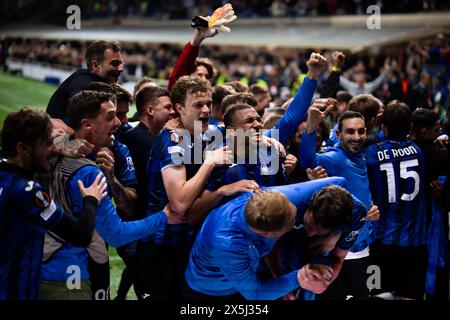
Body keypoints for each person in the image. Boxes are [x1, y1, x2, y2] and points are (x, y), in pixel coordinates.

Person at [38, 90, 179, 300]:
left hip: (41, 262)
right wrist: (164, 217)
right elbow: (116, 234)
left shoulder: (47, 154)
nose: (119, 123)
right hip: (71, 273)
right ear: (87, 124)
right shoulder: (88, 172)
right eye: (111, 116)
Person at [184, 177, 366, 300]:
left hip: (250, 271)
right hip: (211, 287)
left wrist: (336, 233)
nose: (307, 232)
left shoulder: (283, 198)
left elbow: (340, 183)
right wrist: (301, 277)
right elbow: (255, 293)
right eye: (291, 226)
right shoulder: (227, 244)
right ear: (266, 235)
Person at [133, 76, 232, 300]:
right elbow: (179, 203)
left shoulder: (202, 132)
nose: (206, 110)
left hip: (186, 247)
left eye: (208, 103)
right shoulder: (173, 141)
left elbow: (237, 131)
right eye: (198, 105)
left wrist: (267, 140)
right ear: (179, 108)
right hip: (160, 249)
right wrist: (210, 162)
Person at [0, 108, 107, 300]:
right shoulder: (28, 192)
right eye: (48, 143)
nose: (53, 148)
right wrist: (90, 200)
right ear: (23, 148)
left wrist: (61, 147)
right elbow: (80, 235)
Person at [300, 107, 379, 300]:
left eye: (361, 131)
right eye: (350, 131)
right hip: (340, 253)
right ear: (338, 134)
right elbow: (308, 160)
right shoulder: (334, 158)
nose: (357, 136)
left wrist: (373, 208)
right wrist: (310, 127)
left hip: (362, 250)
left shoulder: (361, 156)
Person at [365, 100, 428, 300]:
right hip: (414, 244)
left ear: (383, 127)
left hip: (379, 243)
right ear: (410, 125)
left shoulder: (372, 153)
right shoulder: (420, 152)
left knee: (376, 295)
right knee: (410, 296)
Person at [46, 40, 123, 125]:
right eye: (115, 63)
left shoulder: (96, 84)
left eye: (120, 64)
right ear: (95, 66)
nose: (121, 69)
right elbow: (81, 127)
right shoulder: (83, 84)